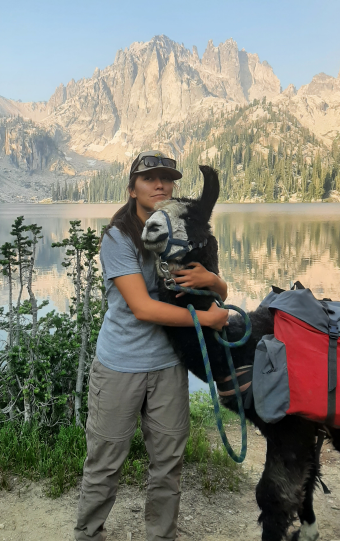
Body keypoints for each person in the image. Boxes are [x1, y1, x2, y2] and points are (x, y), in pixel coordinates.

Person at [74, 151, 229, 541]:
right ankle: (88, 534)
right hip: (119, 366)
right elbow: (142, 308)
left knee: (168, 462)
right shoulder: (117, 237)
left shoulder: (185, 231)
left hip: (167, 366)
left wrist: (211, 280)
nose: (160, 185)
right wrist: (205, 320)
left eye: (166, 178)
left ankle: (161, 536)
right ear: (132, 189)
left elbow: (220, 292)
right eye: (149, 179)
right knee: (105, 461)